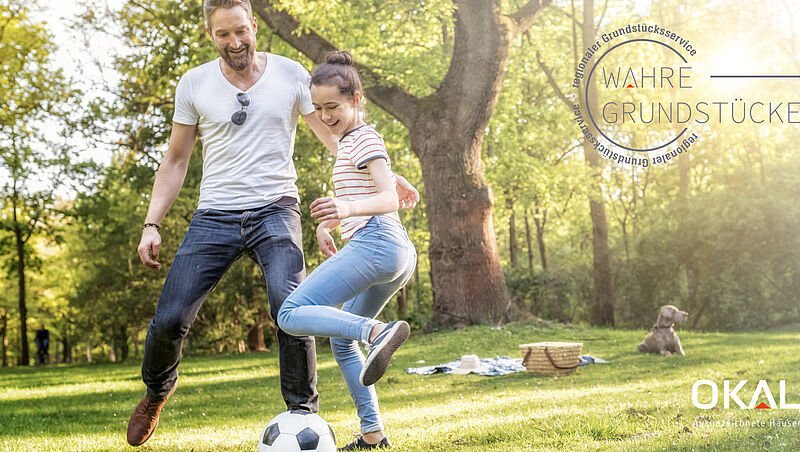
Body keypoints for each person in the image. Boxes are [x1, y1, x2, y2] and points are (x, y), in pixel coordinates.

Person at [126, 1, 419, 447]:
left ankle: (302, 412)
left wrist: (379, 172)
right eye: (223, 34)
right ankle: (157, 392)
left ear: (254, 26)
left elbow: (333, 131)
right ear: (211, 34)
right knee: (170, 317)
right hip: (214, 214)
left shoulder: (290, 75)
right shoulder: (195, 84)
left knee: (292, 306)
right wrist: (152, 223)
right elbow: (176, 159)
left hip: (276, 208)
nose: (235, 42)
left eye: (241, 31)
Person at [277, 51, 417, 451]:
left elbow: (387, 197)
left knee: (290, 314)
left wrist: (348, 208)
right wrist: (328, 223)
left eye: (332, 106)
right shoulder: (350, 143)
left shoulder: (365, 138)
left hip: (378, 242)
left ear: (356, 99)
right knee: (341, 341)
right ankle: (373, 434)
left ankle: (377, 332)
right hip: (394, 252)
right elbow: (371, 188)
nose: (324, 116)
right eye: (318, 108)